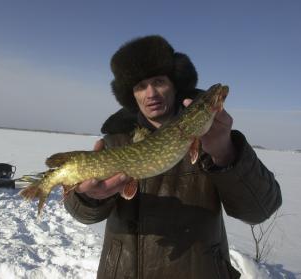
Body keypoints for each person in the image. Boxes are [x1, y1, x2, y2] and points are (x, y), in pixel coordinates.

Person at [64, 35, 282, 279]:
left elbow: (260, 210)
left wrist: (225, 153)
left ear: (175, 84)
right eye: (140, 86)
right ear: (131, 95)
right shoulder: (114, 142)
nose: (151, 93)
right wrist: (88, 198)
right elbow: (80, 214)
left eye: (159, 81)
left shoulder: (213, 138)